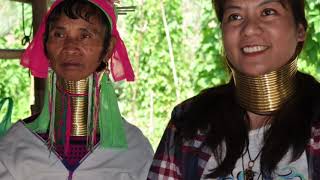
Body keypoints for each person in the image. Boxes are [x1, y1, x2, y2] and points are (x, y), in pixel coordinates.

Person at [148, 0, 320, 179]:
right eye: (235, 16)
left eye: (268, 12)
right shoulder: (188, 123)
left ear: (300, 30)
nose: (249, 29)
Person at [0, 0, 153, 179]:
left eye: (85, 35)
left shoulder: (134, 148)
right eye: (59, 34)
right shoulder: (16, 144)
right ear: (46, 45)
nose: (70, 47)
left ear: (108, 47)